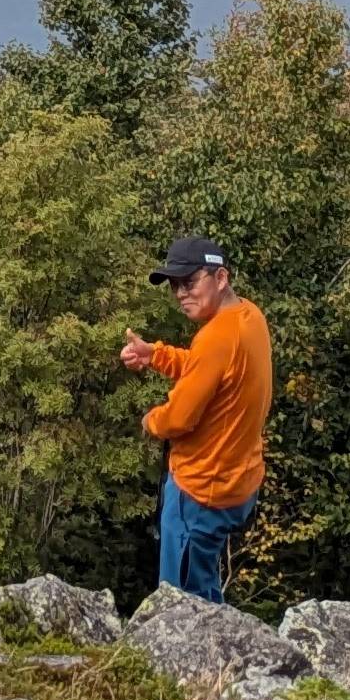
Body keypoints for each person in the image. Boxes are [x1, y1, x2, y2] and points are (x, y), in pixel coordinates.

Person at [120, 231, 273, 601]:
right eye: (175, 285)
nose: (181, 293)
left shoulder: (216, 336)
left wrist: (151, 420)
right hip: (239, 482)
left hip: (201, 490)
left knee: (183, 603)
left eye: (189, 282)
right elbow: (211, 372)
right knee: (204, 587)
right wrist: (155, 354)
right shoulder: (249, 318)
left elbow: (179, 418)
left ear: (221, 278)